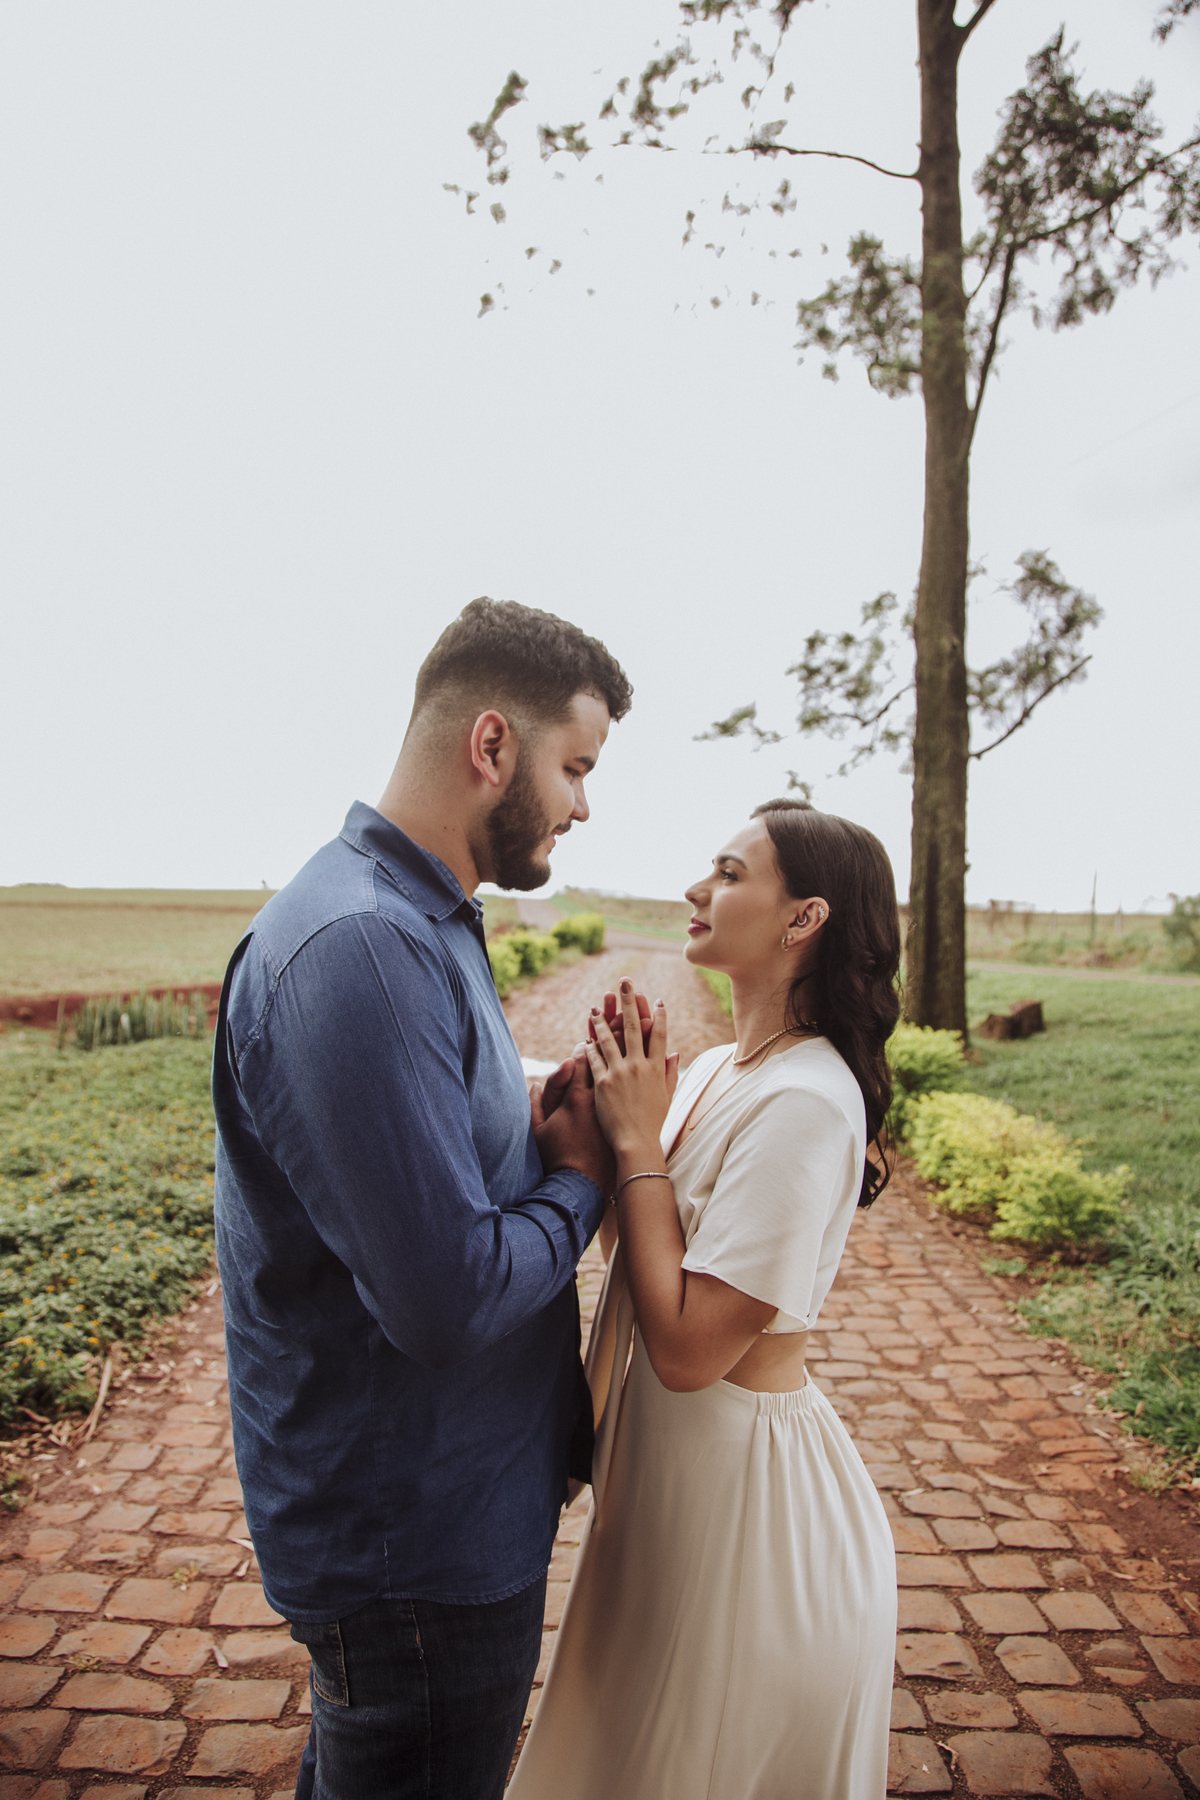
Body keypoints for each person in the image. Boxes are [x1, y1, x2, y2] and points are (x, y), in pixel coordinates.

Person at [210, 597, 632, 1800]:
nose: (584, 806)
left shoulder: (421, 918)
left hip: (443, 1513)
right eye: (575, 767)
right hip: (416, 1554)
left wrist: (535, 1111)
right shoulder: (362, 945)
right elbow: (445, 1301)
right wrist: (583, 1178)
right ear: (492, 744)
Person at [510, 798, 901, 1800]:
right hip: (668, 1493)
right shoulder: (726, 1068)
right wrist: (600, 1130)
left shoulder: (807, 1100)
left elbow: (688, 1352)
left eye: (729, 874)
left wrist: (638, 1143)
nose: (697, 888)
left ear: (803, 918)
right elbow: (649, 1271)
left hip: (743, 1519)